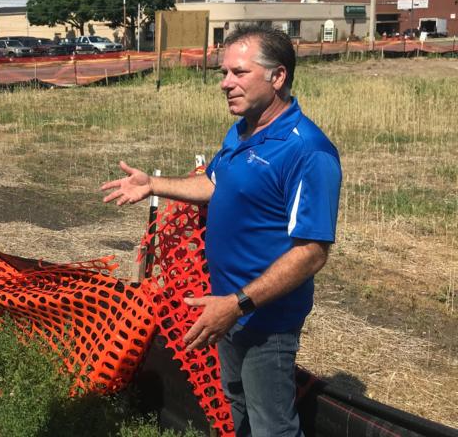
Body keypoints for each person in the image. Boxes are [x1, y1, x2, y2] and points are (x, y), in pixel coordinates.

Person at [101, 24, 341, 436]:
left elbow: (312, 252)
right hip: (223, 307)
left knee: (273, 427)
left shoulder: (307, 150)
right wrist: (154, 185)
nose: (225, 83)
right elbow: (215, 185)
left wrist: (238, 303)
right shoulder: (244, 129)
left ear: (277, 77)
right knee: (238, 405)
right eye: (223, 72)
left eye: (239, 73)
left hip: (263, 318)